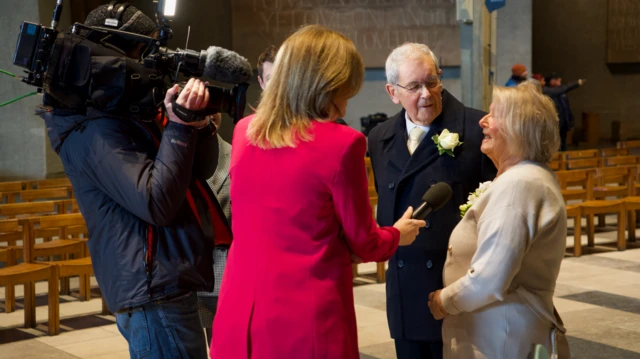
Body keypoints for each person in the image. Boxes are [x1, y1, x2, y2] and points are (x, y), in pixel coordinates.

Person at [211, 25, 426, 359]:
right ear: (329, 85)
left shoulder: (243, 132)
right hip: (305, 317)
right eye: (346, 88)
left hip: (240, 310)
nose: (347, 99)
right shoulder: (342, 143)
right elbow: (364, 241)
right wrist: (398, 234)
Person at [41, 4, 231, 358]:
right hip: (152, 289)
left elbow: (196, 173)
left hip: (167, 280)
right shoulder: (93, 128)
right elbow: (155, 203)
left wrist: (198, 126)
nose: (146, 65)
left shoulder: (125, 113)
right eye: (141, 52)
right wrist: (177, 128)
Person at [368, 43, 496, 359]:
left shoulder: (477, 131)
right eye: (413, 86)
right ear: (392, 92)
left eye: (431, 81)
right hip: (404, 288)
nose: (426, 94)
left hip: (456, 287)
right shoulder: (380, 137)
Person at [428, 83, 569, 359]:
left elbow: (489, 279)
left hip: (500, 337)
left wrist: (444, 301)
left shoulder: (518, 185)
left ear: (518, 128)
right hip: (500, 331)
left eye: (494, 114)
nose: (482, 120)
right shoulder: (527, 177)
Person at [198, 113, 233, 347]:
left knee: (224, 344)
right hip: (189, 266)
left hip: (229, 268)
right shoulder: (172, 154)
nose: (210, 113)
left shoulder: (236, 153)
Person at [543, 73, 586, 151]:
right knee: (554, 146)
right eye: (557, 80)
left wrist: (570, 120)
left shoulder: (562, 94)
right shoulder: (547, 91)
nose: (560, 81)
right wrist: (576, 83)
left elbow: (566, 108)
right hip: (554, 124)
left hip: (563, 124)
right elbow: (563, 89)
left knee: (563, 145)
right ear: (552, 81)